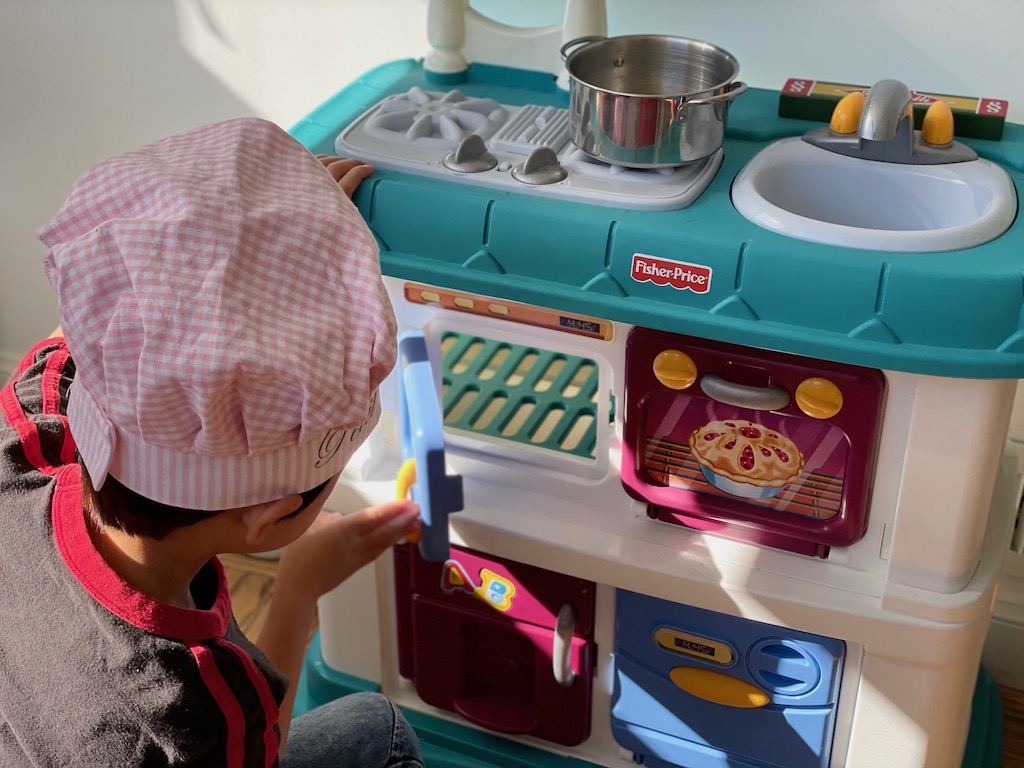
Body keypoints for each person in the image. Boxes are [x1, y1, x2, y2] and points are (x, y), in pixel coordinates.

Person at [0, 117, 424, 767]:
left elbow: (98, 307)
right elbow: (262, 747)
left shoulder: (26, 440)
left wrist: (280, 243)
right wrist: (300, 592)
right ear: (273, 513)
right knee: (379, 729)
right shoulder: (194, 699)